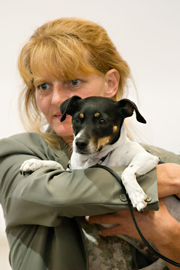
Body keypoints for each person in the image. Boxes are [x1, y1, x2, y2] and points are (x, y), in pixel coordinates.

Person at [0, 17, 180, 270]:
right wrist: (162, 180)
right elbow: (58, 194)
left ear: (110, 83)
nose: (57, 99)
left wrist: (172, 239)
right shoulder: (16, 154)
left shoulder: (170, 161)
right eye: (43, 86)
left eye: (73, 82)